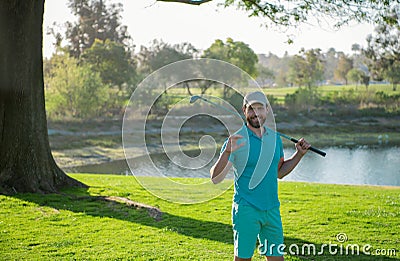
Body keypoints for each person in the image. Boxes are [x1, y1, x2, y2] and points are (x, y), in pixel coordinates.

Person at [210, 91, 311, 261]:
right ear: (244, 110)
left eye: (260, 108)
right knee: (243, 259)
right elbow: (215, 178)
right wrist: (226, 152)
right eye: (251, 108)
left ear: (267, 109)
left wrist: (299, 155)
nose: (256, 113)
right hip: (246, 209)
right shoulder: (236, 140)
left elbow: (279, 172)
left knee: (277, 259)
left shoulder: (275, 138)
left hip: (272, 209)